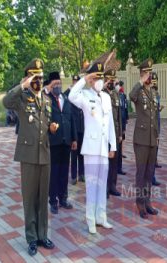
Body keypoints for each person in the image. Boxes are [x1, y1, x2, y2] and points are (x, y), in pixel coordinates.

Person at [2, 58, 56, 256]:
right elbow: (6, 101)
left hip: (45, 155)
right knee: (30, 199)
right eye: (35, 77)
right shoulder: (22, 98)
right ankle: (31, 238)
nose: (39, 81)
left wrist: (51, 127)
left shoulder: (47, 99)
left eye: (41, 77)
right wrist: (22, 85)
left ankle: (42, 235)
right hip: (28, 156)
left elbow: (45, 124)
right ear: (28, 78)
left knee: (43, 199)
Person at [68, 60, 116, 233]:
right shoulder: (85, 95)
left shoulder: (107, 97)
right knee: (91, 185)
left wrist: (113, 146)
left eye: (101, 78)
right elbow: (71, 96)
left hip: (104, 148)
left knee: (102, 185)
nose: (99, 81)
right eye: (96, 77)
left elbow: (110, 123)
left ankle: (101, 217)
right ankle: (90, 220)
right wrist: (84, 79)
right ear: (92, 79)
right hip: (91, 148)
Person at [129, 58, 159, 219]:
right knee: (141, 173)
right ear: (142, 75)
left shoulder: (153, 92)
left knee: (149, 172)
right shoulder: (139, 91)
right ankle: (140, 203)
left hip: (152, 139)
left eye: (150, 73)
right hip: (141, 139)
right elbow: (131, 95)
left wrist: (158, 136)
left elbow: (154, 117)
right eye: (147, 73)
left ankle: (147, 201)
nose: (150, 76)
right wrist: (140, 81)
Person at [47, 72, 77, 214]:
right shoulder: (46, 100)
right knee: (54, 172)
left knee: (64, 172)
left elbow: (72, 120)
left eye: (59, 83)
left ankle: (63, 198)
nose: (58, 86)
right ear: (50, 85)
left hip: (66, 142)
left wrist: (74, 139)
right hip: (54, 142)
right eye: (55, 84)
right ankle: (53, 201)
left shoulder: (66, 98)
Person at [103, 69, 123, 198]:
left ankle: (112, 186)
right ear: (105, 80)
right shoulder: (101, 94)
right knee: (105, 162)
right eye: (110, 79)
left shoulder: (116, 95)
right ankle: (104, 188)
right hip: (104, 134)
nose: (112, 82)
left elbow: (119, 116)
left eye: (113, 79)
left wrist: (120, 133)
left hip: (115, 133)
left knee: (114, 161)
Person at [65, 75, 85, 185]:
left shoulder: (83, 93)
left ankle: (82, 174)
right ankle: (73, 176)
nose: (76, 82)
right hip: (74, 128)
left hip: (82, 127)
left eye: (77, 81)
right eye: (74, 81)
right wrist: (69, 89)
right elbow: (62, 97)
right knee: (74, 153)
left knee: (82, 153)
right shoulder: (69, 93)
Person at [151, 71, 163, 186]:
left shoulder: (157, 94)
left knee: (155, 151)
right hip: (150, 128)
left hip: (157, 125)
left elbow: (156, 111)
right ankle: (150, 176)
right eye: (153, 80)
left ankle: (152, 176)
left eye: (156, 81)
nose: (154, 83)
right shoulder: (148, 94)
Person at [116, 80, 128, 175]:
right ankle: (115, 168)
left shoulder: (123, 96)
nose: (119, 86)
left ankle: (119, 168)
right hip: (115, 128)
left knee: (119, 150)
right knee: (115, 150)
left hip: (121, 125)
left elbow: (124, 111)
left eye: (119, 84)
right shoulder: (112, 96)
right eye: (117, 84)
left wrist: (124, 127)